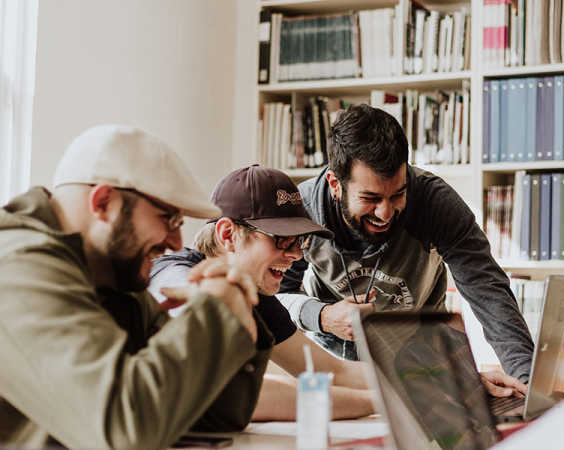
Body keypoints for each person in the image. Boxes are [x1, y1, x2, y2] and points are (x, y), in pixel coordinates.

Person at [0, 125, 272, 449]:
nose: (176, 242)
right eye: (168, 218)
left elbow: (210, 417)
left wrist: (236, 310)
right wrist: (215, 312)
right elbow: (124, 430)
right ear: (103, 203)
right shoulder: (19, 267)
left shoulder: (114, 276)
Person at [278, 104, 535, 387]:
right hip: (335, 366)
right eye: (370, 198)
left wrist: (527, 384)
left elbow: (489, 293)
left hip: (421, 360)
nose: (385, 213)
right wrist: (322, 316)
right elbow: (275, 298)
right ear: (335, 185)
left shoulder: (435, 203)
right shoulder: (303, 211)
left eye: (397, 194)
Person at [150, 164, 375, 421]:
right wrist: (380, 402)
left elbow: (331, 371)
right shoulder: (174, 276)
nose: (296, 255)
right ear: (228, 235)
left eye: (299, 241)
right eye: (282, 239)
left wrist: (414, 382)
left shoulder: (254, 294)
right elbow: (235, 393)